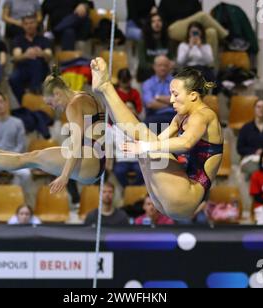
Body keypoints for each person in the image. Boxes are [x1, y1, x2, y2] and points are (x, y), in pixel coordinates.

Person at [91, 57, 223, 220]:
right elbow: (154, 142)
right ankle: (105, 94)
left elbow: (186, 143)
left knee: (145, 140)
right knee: (144, 140)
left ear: (193, 96)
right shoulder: (180, 117)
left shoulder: (204, 115)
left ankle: (107, 88)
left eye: (175, 94)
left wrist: (144, 147)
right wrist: (143, 147)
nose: (172, 100)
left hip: (186, 196)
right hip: (168, 197)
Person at [0, 70, 106, 195]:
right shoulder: (85, 97)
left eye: (50, 103)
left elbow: (77, 143)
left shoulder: (74, 104)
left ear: (58, 93)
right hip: (95, 161)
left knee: (26, 159)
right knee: (28, 157)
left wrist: (64, 176)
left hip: (90, 162)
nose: (53, 108)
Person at [9, 14, 52, 104]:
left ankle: (34, 92)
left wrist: (41, 53)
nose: (29, 26)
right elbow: (16, 57)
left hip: (41, 69)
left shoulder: (44, 40)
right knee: (13, 78)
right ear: (23, 25)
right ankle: (24, 102)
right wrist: (26, 54)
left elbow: (49, 56)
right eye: (26, 23)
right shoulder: (18, 40)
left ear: (36, 24)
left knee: (35, 61)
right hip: (23, 69)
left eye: (32, 23)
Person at [142, 56, 175, 134]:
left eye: (165, 65)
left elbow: (179, 100)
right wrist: (170, 104)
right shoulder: (148, 83)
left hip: (174, 116)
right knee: (146, 127)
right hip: (155, 115)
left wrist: (158, 98)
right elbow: (150, 104)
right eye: (160, 65)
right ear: (154, 67)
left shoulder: (175, 82)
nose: (163, 68)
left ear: (169, 67)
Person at [137, 14, 174, 82]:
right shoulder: (143, 42)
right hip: (148, 73)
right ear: (149, 24)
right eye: (153, 21)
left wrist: (169, 64)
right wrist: (158, 67)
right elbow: (142, 63)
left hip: (164, 71)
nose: (157, 23)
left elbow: (171, 58)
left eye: (159, 21)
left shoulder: (168, 41)